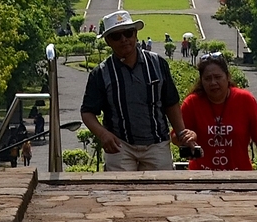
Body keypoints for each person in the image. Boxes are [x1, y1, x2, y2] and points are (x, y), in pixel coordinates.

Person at [79, 9, 197, 171]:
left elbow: (171, 102)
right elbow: (87, 111)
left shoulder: (157, 63)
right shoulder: (101, 73)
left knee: (160, 193)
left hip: (157, 143)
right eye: (116, 36)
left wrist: (181, 133)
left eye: (128, 33)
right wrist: (103, 134)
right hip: (120, 146)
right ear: (108, 41)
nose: (124, 39)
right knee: (121, 193)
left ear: (135, 34)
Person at [181, 54, 257, 170]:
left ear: (227, 76)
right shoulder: (192, 103)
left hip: (239, 177)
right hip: (202, 177)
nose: (213, 82)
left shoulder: (245, 100)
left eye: (217, 77)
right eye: (208, 78)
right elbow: (175, 135)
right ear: (201, 80)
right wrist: (187, 136)